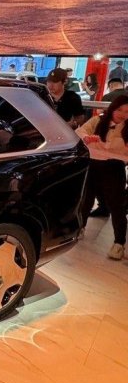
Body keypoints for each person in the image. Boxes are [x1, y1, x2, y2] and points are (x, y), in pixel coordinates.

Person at [77, 94, 128, 260]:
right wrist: (87, 137)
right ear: (112, 108)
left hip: (114, 167)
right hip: (92, 164)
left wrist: (106, 147)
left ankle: (119, 243)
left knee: (117, 205)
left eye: (127, 111)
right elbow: (81, 131)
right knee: (86, 199)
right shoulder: (98, 120)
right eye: (119, 109)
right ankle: (80, 228)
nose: (122, 114)